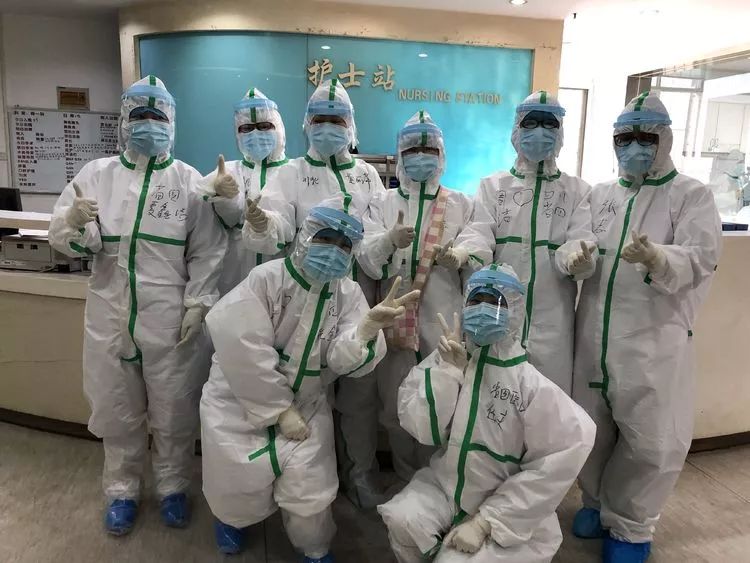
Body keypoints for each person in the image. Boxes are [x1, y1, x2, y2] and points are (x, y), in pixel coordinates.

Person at [48, 75, 226, 534]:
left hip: (169, 319)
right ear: (125, 122)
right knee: (117, 410)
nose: (149, 124)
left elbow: (207, 251)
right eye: (140, 115)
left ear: (173, 123)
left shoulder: (189, 182)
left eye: (158, 116)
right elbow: (71, 239)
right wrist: (74, 223)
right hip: (109, 315)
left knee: (173, 411)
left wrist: (197, 303)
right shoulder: (97, 175)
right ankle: (122, 491)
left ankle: (173, 488)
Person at [201, 196, 420, 562]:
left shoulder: (348, 294)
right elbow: (242, 345)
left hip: (307, 402)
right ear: (305, 236)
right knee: (234, 473)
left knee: (311, 488)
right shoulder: (267, 279)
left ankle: (315, 549)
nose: (334, 251)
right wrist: (278, 410)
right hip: (238, 398)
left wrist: (364, 332)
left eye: (344, 245)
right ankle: (231, 519)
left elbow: (341, 360)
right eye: (326, 239)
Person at [572, 92, 722, 563]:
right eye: (625, 138)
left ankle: (631, 527)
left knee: (650, 438)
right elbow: (579, 240)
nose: (634, 146)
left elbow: (701, 258)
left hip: (653, 340)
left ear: (665, 139)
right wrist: (575, 256)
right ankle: (595, 501)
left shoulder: (690, 194)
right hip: (592, 336)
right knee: (592, 426)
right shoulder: (601, 194)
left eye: (645, 137)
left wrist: (658, 257)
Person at [379, 264, 595, 563]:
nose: (483, 309)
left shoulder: (529, 385)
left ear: (514, 312)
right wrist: (448, 372)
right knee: (403, 520)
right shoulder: (449, 359)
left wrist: (485, 522)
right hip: (446, 486)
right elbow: (422, 429)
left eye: (495, 302)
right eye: (476, 300)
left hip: (504, 503)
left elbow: (572, 442)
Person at [241, 77, 388, 507]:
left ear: (351, 125)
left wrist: (389, 240)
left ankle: (359, 475)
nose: (328, 127)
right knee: (306, 391)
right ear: (306, 124)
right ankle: (308, 482)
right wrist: (263, 223)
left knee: (359, 395)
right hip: (304, 301)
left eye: (336, 120)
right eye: (320, 119)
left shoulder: (366, 176)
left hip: (356, 297)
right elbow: (278, 227)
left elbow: (376, 238)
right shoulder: (289, 173)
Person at [358, 110, 490, 488]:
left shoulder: (460, 203)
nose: (420, 156)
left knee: (443, 399)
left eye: (428, 149)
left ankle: (439, 485)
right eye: (412, 149)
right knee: (395, 405)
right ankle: (405, 481)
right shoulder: (381, 202)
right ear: (400, 154)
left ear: (442, 155)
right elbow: (366, 257)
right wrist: (387, 241)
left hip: (443, 319)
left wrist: (461, 255)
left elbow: (481, 241)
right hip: (394, 322)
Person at [462, 90, 598, 395]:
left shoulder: (577, 190)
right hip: (497, 310)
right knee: (496, 398)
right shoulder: (493, 186)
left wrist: (576, 258)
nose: (539, 132)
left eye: (549, 124)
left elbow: (580, 238)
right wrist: (465, 253)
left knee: (549, 399)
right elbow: (479, 232)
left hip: (553, 317)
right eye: (531, 123)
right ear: (516, 130)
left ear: (560, 132)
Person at [197, 87, 290, 294]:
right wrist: (226, 197)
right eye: (246, 128)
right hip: (236, 273)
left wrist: (269, 225)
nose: (255, 133)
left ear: (279, 128)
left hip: (283, 272)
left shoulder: (294, 172)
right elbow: (225, 222)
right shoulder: (229, 171)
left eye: (264, 126)